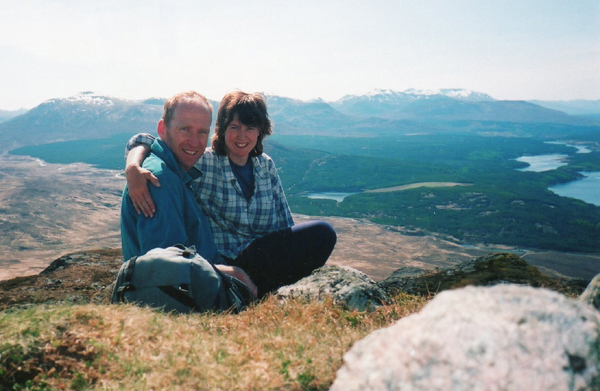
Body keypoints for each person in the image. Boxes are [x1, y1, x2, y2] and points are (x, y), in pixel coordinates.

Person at [125, 91, 336, 297]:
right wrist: (133, 166)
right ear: (222, 130)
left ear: (260, 131)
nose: (242, 136)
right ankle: (251, 294)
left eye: (250, 128)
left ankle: (268, 294)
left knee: (321, 234)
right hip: (225, 262)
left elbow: (285, 225)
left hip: (257, 257)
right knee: (322, 232)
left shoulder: (265, 166)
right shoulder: (202, 160)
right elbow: (147, 141)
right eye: (234, 127)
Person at [120, 91, 257, 297]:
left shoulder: (173, 170)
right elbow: (167, 269)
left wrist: (132, 163)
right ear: (163, 130)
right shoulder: (159, 181)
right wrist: (233, 273)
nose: (195, 142)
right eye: (185, 129)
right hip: (188, 297)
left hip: (201, 279)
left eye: (202, 132)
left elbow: (144, 141)